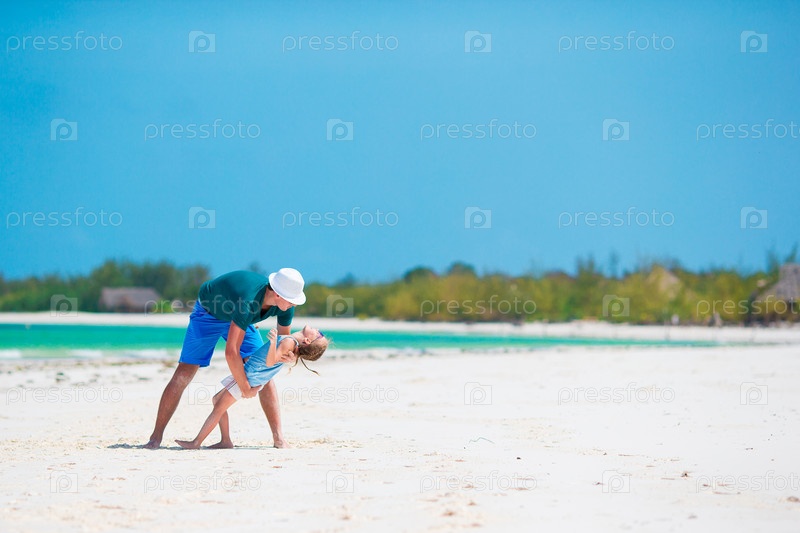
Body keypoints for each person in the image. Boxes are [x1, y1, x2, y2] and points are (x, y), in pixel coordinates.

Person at [144, 268, 306, 450]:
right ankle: (155, 438)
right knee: (184, 373)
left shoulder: (286, 306)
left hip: (240, 317)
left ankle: (279, 439)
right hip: (208, 313)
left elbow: (281, 344)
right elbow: (231, 352)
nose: (294, 304)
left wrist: (287, 356)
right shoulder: (248, 301)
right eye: (292, 300)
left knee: (264, 373)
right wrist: (244, 387)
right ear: (277, 294)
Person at [176, 326, 328, 449]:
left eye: (319, 334)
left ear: (307, 340)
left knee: (219, 407)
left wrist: (273, 342)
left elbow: (270, 362)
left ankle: (196, 443)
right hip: (250, 375)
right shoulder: (291, 343)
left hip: (248, 376)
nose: (317, 330)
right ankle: (225, 441)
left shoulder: (289, 342)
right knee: (216, 400)